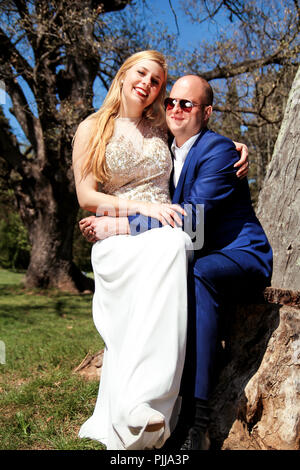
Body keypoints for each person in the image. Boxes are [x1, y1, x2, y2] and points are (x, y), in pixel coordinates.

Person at [79, 73, 272, 451]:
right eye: (171, 102)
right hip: (194, 249)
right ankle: (140, 398)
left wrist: (120, 224)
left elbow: (193, 222)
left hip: (239, 255)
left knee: (197, 274)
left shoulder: (218, 151)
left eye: (188, 104)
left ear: (207, 111)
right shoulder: (169, 146)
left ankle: (194, 423)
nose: (176, 109)